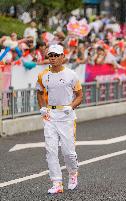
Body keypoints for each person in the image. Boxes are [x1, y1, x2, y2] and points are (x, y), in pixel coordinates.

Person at [36, 44, 83, 194]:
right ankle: (57, 182)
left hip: (66, 116)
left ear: (63, 57)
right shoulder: (43, 75)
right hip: (50, 116)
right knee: (50, 150)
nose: (53, 58)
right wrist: (42, 107)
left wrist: (71, 106)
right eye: (51, 55)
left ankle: (73, 173)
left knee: (68, 152)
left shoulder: (71, 75)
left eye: (56, 55)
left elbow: (80, 95)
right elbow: (38, 91)